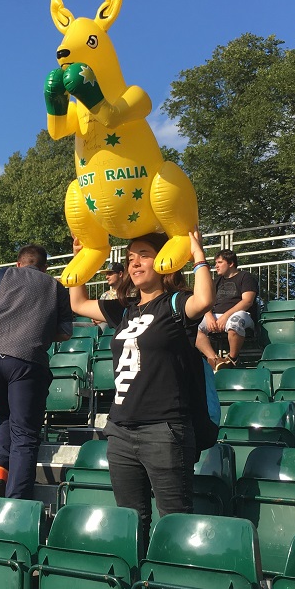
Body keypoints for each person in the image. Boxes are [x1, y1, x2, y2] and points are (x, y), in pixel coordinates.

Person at [69, 230, 212, 550]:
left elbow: (205, 300)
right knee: (130, 520)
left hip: (164, 429)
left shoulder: (174, 304)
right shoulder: (123, 309)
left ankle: (173, 588)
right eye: (131, 257)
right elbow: (77, 303)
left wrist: (196, 253)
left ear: (165, 261)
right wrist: (81, 258)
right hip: (120, 430)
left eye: (144, 255)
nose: (134, 263)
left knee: (176, 518)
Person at [0, 245, 73, 500]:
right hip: (26, 359)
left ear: (19, 263)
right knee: (25, 433)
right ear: (44, 266)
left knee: (4, 414)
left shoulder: (0, 274)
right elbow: (66, 332)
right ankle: (17, 499)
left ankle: (0, 469)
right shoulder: (56, 287)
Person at [195, 249, 258, 370]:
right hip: (215, 316)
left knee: (235, 321)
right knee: (192, 326)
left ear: (231, 263)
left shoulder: (245, 277)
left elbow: (247, 301)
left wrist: (225, 317)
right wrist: (208, 317)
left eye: (219, 262)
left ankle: (232, 359)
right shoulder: (216, 281)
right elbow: (205, 300)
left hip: (242, 314)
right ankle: (215, 360)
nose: (216, 266)